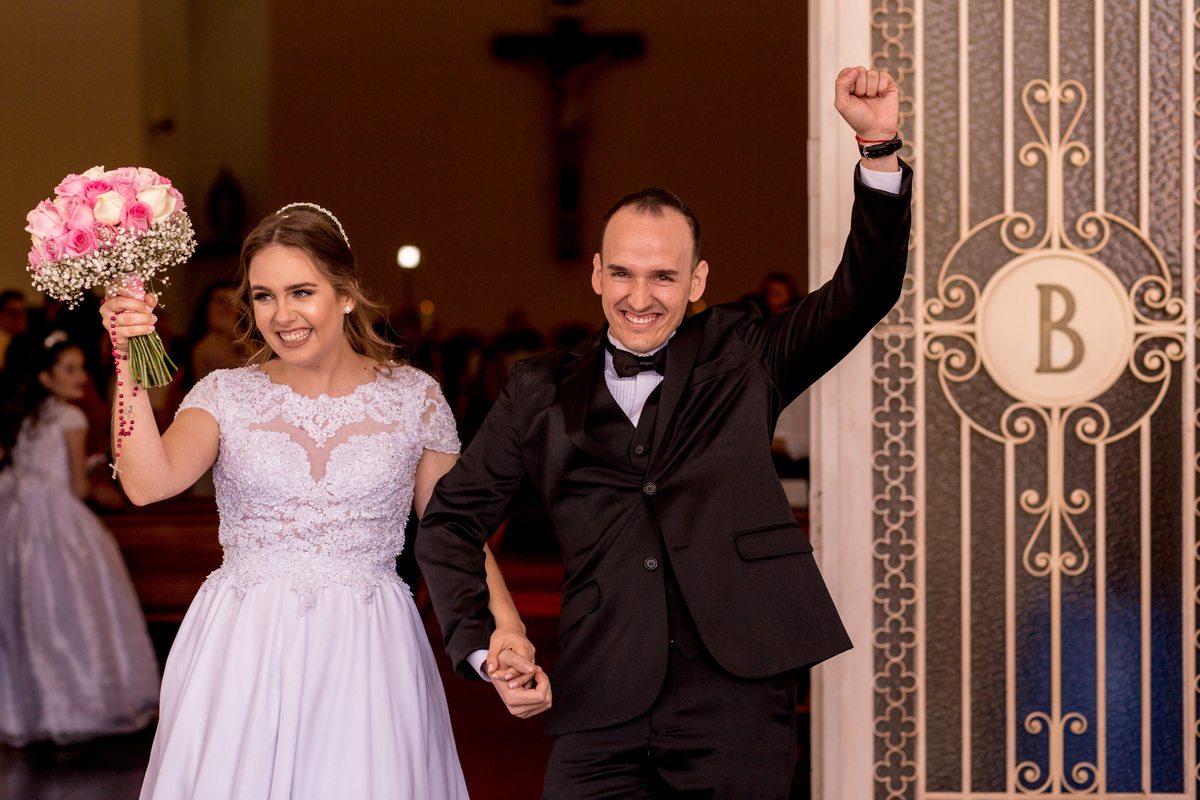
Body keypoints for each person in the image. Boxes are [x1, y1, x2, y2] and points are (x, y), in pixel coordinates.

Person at [416, 65, 912, 797]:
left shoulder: (746, 353)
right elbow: (450, 521)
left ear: (698, 280)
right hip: (599, 691)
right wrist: (489, 647)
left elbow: (864, 291)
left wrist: (878, 148)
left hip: (738, 694)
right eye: (622, 274)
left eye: (663, 277)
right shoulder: (537, 389)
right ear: (596, 274)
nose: (639, 298)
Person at [101, 203, 551, 799]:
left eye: (302, 292)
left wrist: (508, 628)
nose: (282, 315)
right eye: (264, 296)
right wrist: (126, 358)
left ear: (346, 294)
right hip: (245, 641)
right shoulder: (225, 395)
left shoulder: (413, 397)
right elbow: (145, 484)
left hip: (369, 640)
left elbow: (455, 531)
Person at [0, 332, 159, 746]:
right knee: (75, 614)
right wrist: (103, 488)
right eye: (69, 370)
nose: (81, 377)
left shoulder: (25, 418)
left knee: (33, 616)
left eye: (82, 368)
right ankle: (83, 704)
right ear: (45, 377)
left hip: (19, 526)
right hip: (60, 525)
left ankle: (35, 710)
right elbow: (79, 488)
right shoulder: (71, 417)